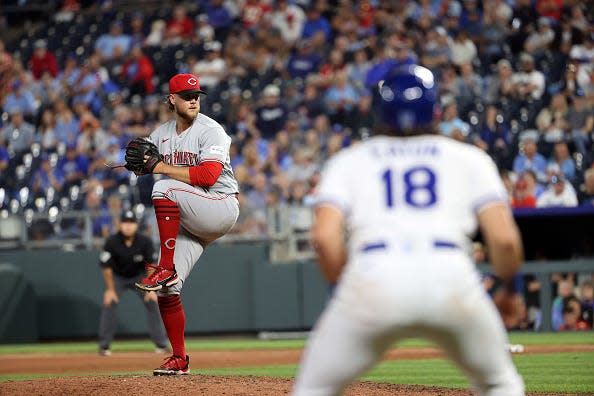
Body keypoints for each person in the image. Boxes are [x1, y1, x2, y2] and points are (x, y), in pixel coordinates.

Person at [292, 64, 525, 396]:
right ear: (435, 110)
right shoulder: (469, 158)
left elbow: (324, 238)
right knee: (499, 383)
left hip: (374, 275)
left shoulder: (349, 160)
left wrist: (342, 289)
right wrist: (511, 289)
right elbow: (503, 239)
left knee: (315, 388)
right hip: (451, 277)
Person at [133, 73, 240, 375]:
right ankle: (179, 358)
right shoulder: (162, 134)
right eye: (186, 94)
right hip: (191, 217)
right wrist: (134, 161)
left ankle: (164, 267)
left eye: (197, 94)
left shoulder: (211, 131)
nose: (194, 99)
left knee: (163, 187)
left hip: (219, 205)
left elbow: (207, 177)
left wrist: (160, 167)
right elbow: (142, 159)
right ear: (172, 99)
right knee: (169, 290)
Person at [98, 210, 168, 356]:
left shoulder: (145, 241)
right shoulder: (112, 241)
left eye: (131, 223)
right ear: (120, 225)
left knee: (152, 301)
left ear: (136, 225)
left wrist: (150, 288)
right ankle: (104, 346)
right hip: (118, 277)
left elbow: (151, 265)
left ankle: (161, 344)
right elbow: (107, 268)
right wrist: (110, 290)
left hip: (140, 276)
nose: (128, 226)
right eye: (125, 223)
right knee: (109, 302)